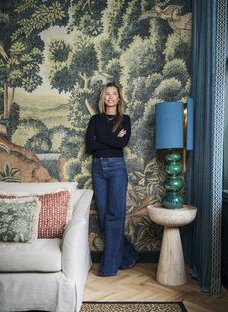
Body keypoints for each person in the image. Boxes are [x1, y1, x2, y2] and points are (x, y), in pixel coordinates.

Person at [85, 82, 138, 277]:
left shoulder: (125, 119)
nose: (110, 97)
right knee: (104, 216)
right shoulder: (95, 120)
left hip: (117, 168)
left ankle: (108, 267)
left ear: (118, 98)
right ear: (104, 98)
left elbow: (122, 143)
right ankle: (128, 255)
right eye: (107, 94)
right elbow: (90, 145)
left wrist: (101, 138)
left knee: (115, 214)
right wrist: (111, 138)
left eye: (114, 94)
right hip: (98, 168)